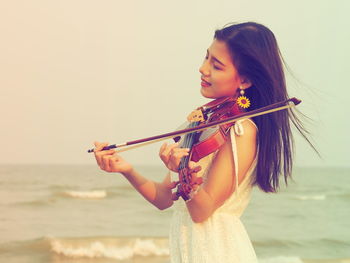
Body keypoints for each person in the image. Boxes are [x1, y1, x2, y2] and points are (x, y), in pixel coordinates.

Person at [93, 22, 313, 263]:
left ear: (245, 80)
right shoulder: (203, 122)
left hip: (217, 251)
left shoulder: (241, 130)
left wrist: (183, 171)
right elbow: (164, 199)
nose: (202, 69)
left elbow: (202, 211)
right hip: (190, 250)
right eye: (206, 58)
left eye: (216, 66)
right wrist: (127, 170)